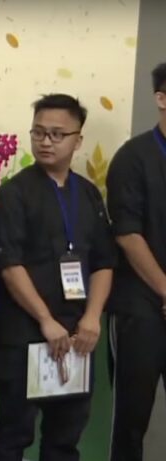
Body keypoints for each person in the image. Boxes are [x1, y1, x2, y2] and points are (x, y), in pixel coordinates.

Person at [0, 94, 116, 460]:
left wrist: (92, 318)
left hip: (78, 337)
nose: (46, 141)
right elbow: (9, 265)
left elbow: (104, 262)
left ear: (78, 140)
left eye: (57, 134)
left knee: (64, 440)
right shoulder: (14, 193)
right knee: (13, 434)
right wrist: (45, 319)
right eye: (39, 132)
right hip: (27, 334)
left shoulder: (89, 194)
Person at [107, 62, 166, 461]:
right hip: (140, 305)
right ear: (161, 99)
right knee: (131, 418)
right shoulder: (133, 158)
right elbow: (128, 234)